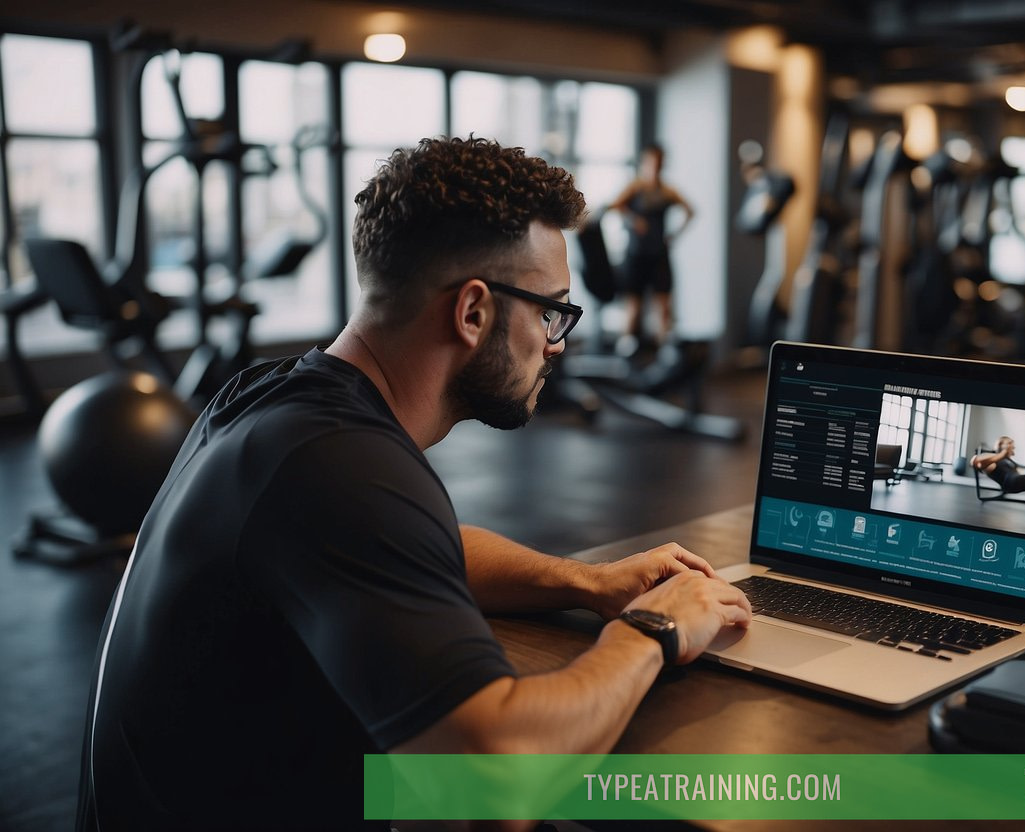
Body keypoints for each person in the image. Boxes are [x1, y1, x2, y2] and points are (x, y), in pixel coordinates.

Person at [77, 136, 751, 832]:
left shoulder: (270, 397)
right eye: (551, 312)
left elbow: (419, 548)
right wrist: (651, 630)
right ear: (472, 312)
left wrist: (585, 582)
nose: (557, 343)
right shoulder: (340, 466)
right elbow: (493, 777)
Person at [608, 143, 694, 354]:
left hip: (659, 255)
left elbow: (690, 211)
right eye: (651, 162)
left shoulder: (667, 191)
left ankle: (664, 354)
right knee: (634, 308)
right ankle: (625, 353)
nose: (655, 167)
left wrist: (674, 235)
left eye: (659, 163)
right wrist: (633, 220)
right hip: (636, 255)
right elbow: (615, 206)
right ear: (645, 163)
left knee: (663, 308)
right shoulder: (635, 188)